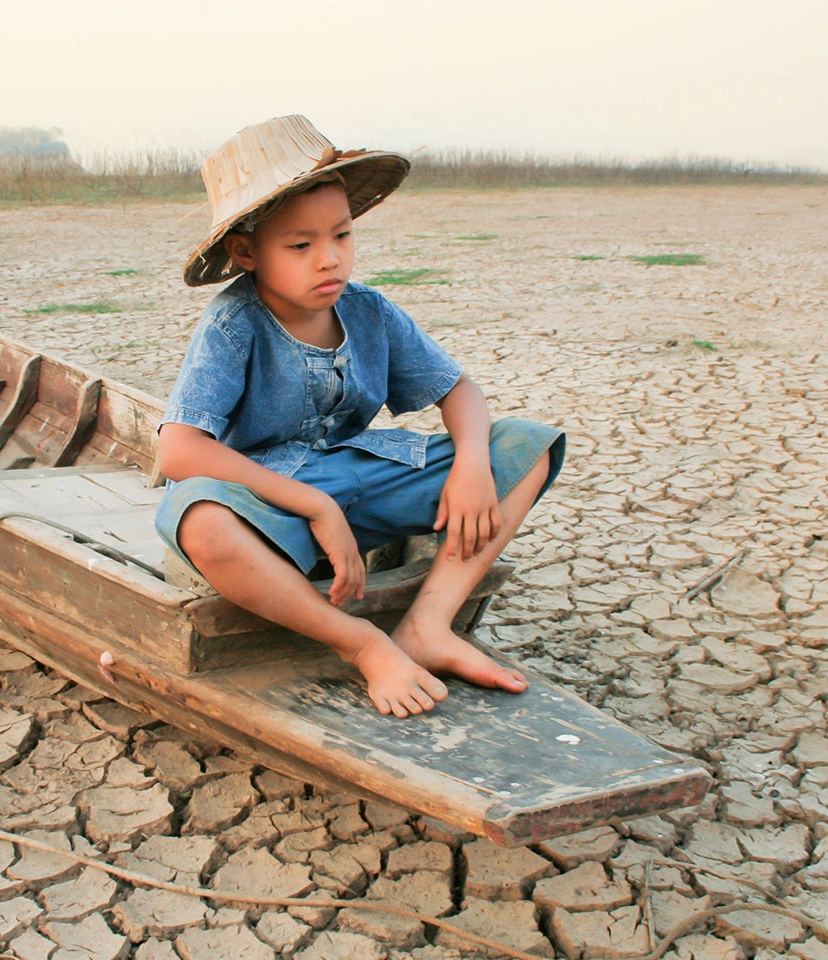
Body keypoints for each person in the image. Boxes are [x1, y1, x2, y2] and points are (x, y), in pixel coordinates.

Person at [155, 116, 564, 718]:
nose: (329, 260)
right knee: (198, 520)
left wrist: (473, 464)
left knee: (527, 445)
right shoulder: (233, 324)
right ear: (246, 252)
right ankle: (363, 643)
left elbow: (460, 391)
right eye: (300, 245)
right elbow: (178, 451)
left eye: (341, 236)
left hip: (365, 477)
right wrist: (314, 506)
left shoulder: (369, 311)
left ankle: (428, 624)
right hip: (271, 505)